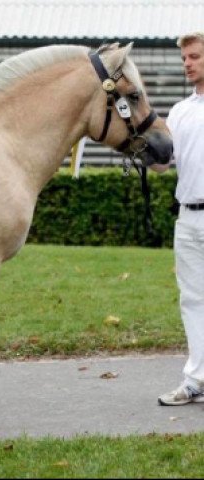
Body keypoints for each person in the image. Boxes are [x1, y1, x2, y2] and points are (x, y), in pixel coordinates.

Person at [153, 32, 204, 406]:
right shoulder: (179, 111)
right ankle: (196, 380)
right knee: (193, 300)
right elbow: (164, 164)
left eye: (195, 56)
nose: (187, 63)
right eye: (185, 57)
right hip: (187, 218)